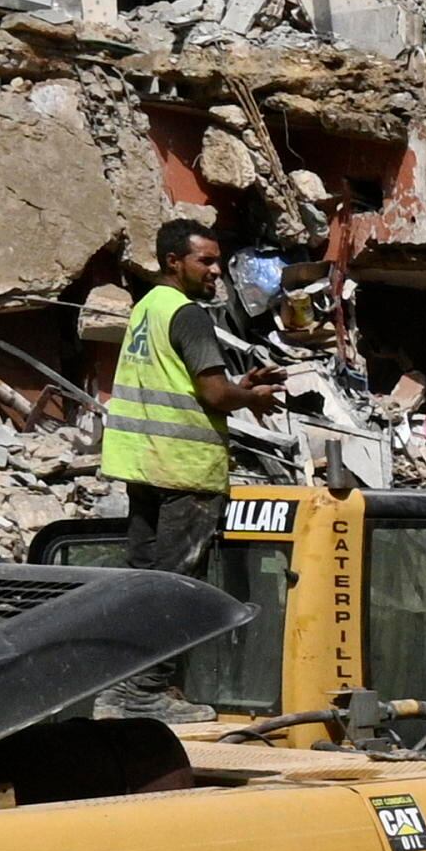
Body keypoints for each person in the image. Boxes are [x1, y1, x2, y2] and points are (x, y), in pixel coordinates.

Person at [99, 216, 288, 605]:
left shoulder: (147, 308)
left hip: (145, 467)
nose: (216, 271)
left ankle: (142, 665)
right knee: (179, 592)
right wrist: (254, 398)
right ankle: (170, 668)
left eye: (218, 261)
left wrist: (241, 386)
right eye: (205, 261)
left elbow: (175, 381)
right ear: (174, 261)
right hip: (186, 472)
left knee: (143, 582)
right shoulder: (188, 314)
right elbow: (215, 395)